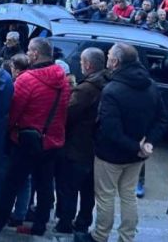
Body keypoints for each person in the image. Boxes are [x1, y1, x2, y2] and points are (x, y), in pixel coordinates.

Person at [76, 43, 168, 242]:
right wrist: (147, 144)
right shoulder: (150, 84)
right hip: (137, 155)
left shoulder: (112, 90)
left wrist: (139, 146)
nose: (107, 58)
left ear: (115, 61)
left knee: (106, 196)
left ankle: (100, 236)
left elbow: (110, 129)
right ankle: (126, 237)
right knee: (128, 196)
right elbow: (162, 117)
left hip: (110, 155)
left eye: (109, 56)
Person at [0, 37, 70, 237]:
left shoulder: (27, 79)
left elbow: (14, 111)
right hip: (52, 140)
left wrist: (9, 132)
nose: (27, 53)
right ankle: (40, 225)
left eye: (29, 50)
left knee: (11, 184)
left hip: (26, 141)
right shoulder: (62, 79)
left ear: (35, 54)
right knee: (45, 185)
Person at [55, 47, 110, 234]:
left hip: (78, 146)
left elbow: (68, 113)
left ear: (87, 65)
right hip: (96, 147)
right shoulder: (107, 83)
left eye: (81, 63)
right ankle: (83, 222)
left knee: (69, 187)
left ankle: (65, 222)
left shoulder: (86, 89)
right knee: (88, 191)